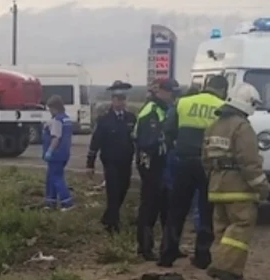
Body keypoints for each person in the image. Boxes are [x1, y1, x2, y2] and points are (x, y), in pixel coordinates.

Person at [203, 82, 270, 280]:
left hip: (217, 186)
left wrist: (213, 179)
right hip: (239, 188)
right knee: (241, 226)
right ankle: (226, 268)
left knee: (222, 229)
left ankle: (220, 262)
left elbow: (205, 158)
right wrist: (262, 186)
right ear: (248, 103)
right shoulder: (242, 127)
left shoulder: (214, 125)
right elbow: (249, 161)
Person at [159, 74, 228, 268]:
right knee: (206, 210)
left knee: (177, 209)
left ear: (206, 85)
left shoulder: (183, 102)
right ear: (223, 90)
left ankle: (167, 253)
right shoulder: (221, 107)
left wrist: (178, 144)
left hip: (184, 161)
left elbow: (168, 128)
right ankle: (202, 256)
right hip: (208, 164)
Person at [133, 78, 178, 260]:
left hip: (166, 166)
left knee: (168, 208)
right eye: (170, 92)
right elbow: (148, 141)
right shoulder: (151, 110)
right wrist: (167, 141)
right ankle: (145, 248)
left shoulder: (166, 109)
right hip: (152, 165)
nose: (173, 96)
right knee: (150, 207)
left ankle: (169, 247)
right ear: (159, 91)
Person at [86, 80, 136, 233]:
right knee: (113, 192)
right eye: (117, 99)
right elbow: (95, 142)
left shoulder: (131, 118)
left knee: (123, 189)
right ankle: (113, 225)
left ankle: (108, 217)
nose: (120, 102)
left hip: (126, 161)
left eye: (123, 99)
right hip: (110, 161)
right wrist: (90, 163)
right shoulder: (104, 119)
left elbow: (136, 139)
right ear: (112, 100)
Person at [41, 95, 74, 211]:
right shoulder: (66, 119)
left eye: (50, 108)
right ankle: (51, 201)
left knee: (56, 178)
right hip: (64, 153)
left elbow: (56, 138)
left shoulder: (57, 120)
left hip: (56, 154)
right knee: (50, 177)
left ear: (55, 107)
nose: (50, 111)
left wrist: (49, 151)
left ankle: (67, 202)